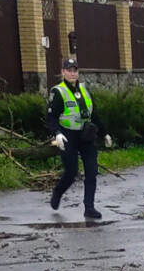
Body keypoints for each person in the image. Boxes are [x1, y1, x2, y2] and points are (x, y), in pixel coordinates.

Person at [46, 58, 112, 219]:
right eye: (69, 70)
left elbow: (94, 113)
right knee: (72, 172)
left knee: (92, 171)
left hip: (86, 134)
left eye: (75, 70)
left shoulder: (84, 89)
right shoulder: (58, 92)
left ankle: (89, 207)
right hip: (67, 136)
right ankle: (58, 192)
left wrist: (105, 133)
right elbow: (51, 117)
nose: (72, 73)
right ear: (63, 72)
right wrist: (57, 133)